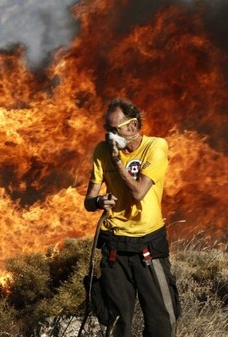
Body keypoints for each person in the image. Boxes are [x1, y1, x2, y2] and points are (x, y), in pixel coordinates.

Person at [84, 98, 180, 337]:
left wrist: (118, 162)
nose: (109, 136)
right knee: (117, 324)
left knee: (162, 324)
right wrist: (98, 202)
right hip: (115, 247)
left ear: (133, 126)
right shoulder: (101, 151)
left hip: (147, 246)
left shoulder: (156, 147)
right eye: (107, 130)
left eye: (115, 130)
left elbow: (138, 192)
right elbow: (89, 200)